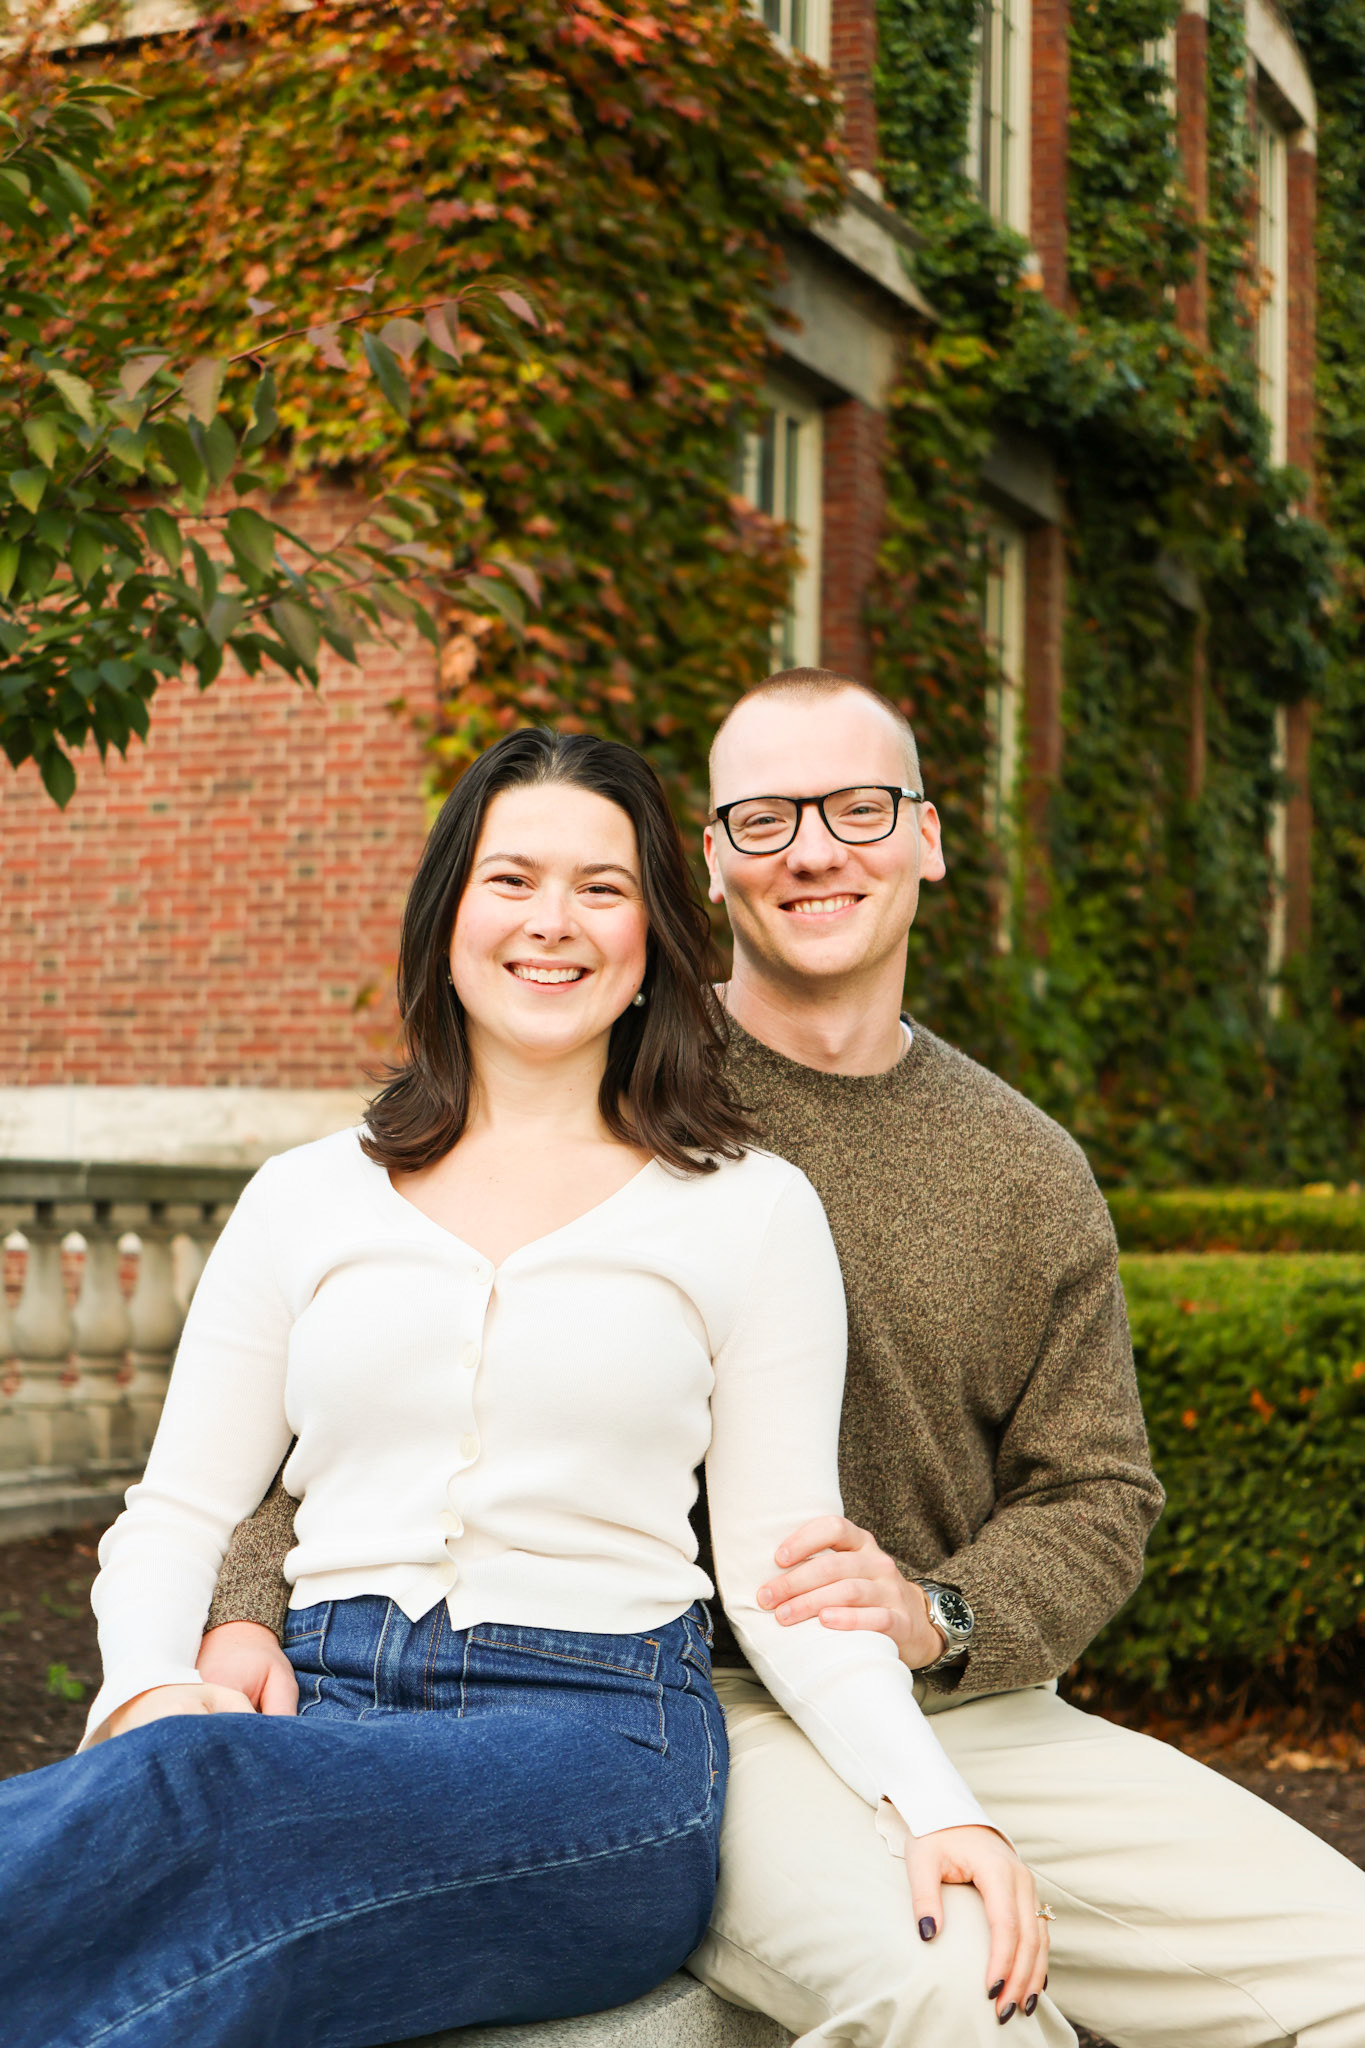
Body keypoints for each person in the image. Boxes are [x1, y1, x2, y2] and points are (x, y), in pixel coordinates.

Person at [204, 671, 1365, 2048]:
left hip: (955, 1705)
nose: (814, 850)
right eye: (764, 819)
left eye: (859, 808)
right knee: (967, 2002)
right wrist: (243, 1610)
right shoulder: (586, 1059)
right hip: (667, 1706)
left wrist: (940, 1614)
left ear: (927, 836)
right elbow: (375, 1402)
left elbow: (1096, 1489)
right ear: (707, 861)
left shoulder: (1023, 1167)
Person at [0, 725, 1046, 2048]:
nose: (553, 922)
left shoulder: (750, 1210)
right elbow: (180, 1510)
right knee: (185, 1964)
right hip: (319, 1698)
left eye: (601, 888)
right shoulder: (305, 1198)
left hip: (599, 1748)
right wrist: (146, 1688)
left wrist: (933, 1805)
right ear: (448, 916)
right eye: (511, 880)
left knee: (198, 1792)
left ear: (653, 938)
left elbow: (784, 1575)